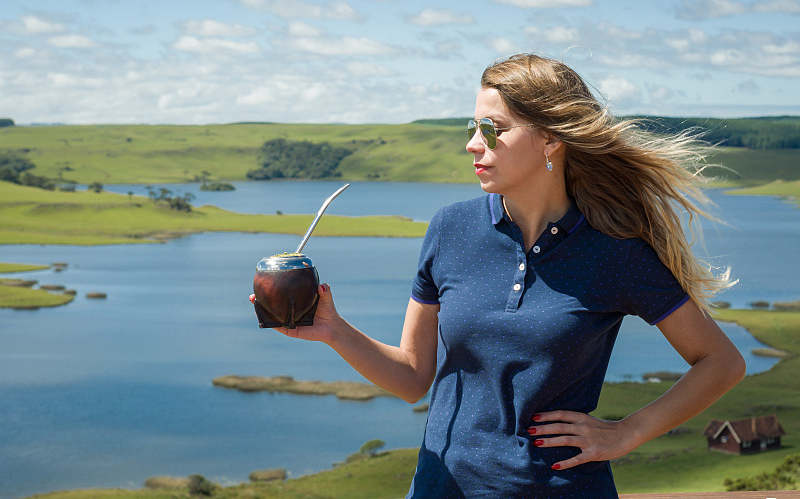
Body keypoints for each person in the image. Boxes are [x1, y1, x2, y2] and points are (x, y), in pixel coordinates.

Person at [250, 53, 746, 498]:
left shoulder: (614, 250)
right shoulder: (451, 228)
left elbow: (720, 362)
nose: (472, 144)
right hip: (439, 486)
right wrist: (334, 331)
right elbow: (411, 377)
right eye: (473, 126)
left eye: (493, 129)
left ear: (550, 139)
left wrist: (628, 431)